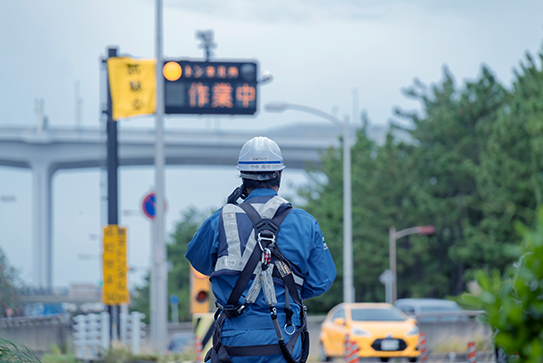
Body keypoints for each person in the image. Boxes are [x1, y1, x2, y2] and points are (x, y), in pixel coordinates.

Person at [185, 136, 336, 363]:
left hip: (234, 344)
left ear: (242, 178)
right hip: (285, 339)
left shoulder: (221, 219)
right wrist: (285, 291)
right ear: (280, 175)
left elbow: (199, 262)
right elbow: (321, 281)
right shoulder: (305, 223)